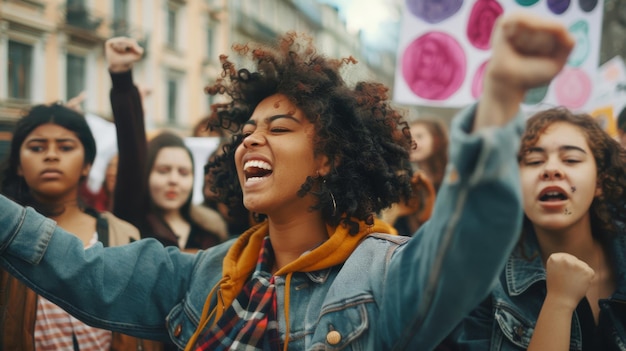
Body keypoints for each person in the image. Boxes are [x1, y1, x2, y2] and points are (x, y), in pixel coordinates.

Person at [0, 12, 574, 350]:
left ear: (327, 157)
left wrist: (499, 101)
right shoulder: (202, 272)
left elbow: (465, 244)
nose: (251, 139)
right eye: (246, 130)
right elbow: (71, 263)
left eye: (279, 127)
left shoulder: (386, 275)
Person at [439, 108, 626, 350]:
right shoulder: (478, 282)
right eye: (534, 161)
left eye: (571, 159)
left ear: (599, 182)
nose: (551, 170)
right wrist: (559, 302)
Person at [0, 103, 161, 350]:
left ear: (87, 164)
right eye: (37, 147)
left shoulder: (122, 233)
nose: (51, 155)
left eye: (65, 147)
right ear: (19, 165)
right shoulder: (6, 237)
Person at [106, 37, 227, 251]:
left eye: (183, 172)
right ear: (146, 173)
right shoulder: (133, 222)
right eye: (163, 170)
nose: (173, 180)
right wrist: (121, 76)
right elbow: (131, 150)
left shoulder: (212, 231)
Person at [409, 118, 449, 192]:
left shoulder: (451, 178)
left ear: (437, 140)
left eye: (419, 136)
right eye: (409, 137)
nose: (412, 142)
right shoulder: (406, 179)